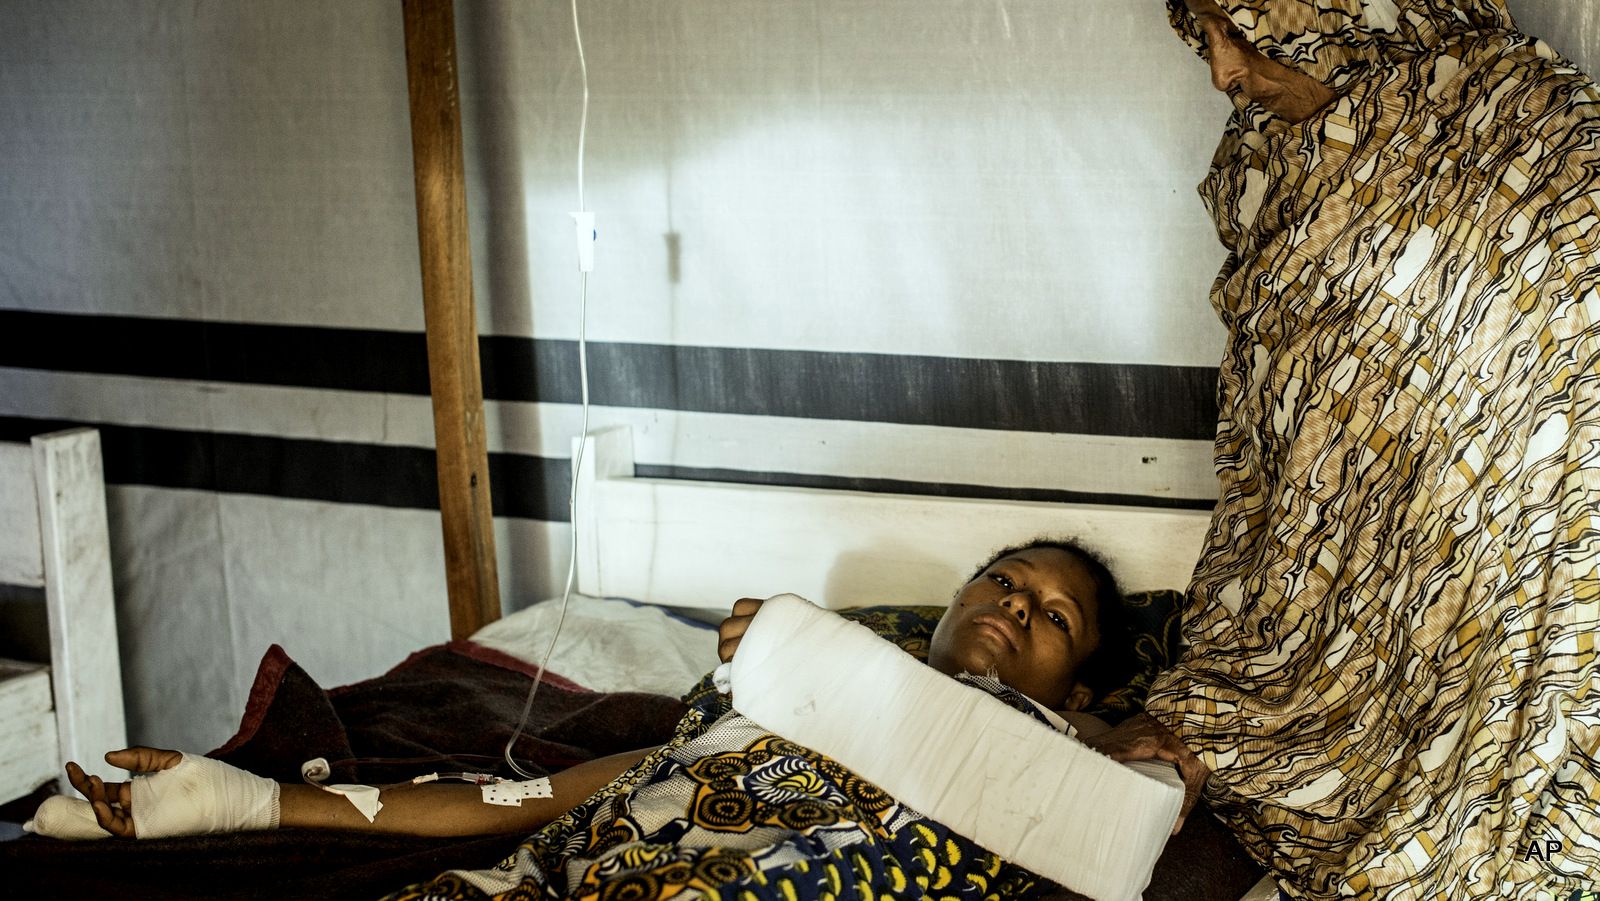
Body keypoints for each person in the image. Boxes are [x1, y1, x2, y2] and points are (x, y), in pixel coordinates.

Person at [1089, 1, 1600, 899]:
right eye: (1202, 35)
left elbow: (1561, 412)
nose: (1222, 73)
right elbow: (1274, 446)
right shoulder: (1273, 161)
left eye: (1238, 33)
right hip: (1302, 630)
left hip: (1503, 614)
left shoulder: (1537, 144)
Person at [53, 538, 1140, 900]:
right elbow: (516, 799)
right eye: (1000, 581)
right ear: (945, 607)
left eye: (1052, 616)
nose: (1011, 606)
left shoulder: (1063, 756)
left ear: (1079, 690)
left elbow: (1123, 808)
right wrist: (239, 800)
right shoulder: (768, 689)